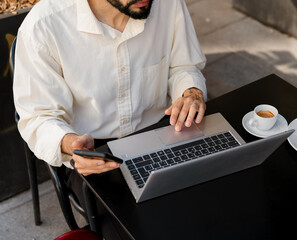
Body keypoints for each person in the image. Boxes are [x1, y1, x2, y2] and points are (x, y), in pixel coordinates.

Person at [13, 0, 206, 238]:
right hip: (95, 155)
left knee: (211, 203)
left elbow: (184, 65)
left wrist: (191, 92)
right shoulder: (43, 26)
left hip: (163, 132)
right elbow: (39, 117)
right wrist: (71, 144)